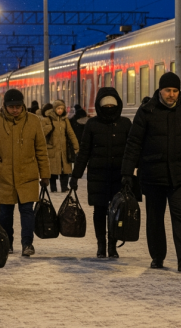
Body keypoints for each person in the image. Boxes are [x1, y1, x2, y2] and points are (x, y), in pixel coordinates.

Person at [122, 72, 181, 272]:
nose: (171, 94)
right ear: (160, 90)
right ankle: (157, 256)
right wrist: (126, 173)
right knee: (155, 217)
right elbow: (134, 143)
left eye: (175, 91)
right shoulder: (147, 110)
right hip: (153, 174)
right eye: (168, 90)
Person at [0, 89, 51, 257]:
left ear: (23, 105)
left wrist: (45, 174)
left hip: (27, 174)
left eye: (18, 106)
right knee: (5, 212)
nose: (15, 110)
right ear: (4, 106)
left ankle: (27, 243)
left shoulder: (34, 121)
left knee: (27, 211)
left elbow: (41, 149)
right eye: (11, 107)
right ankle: (7, 243)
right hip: (4, 174)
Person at [71, 88, 132, 258]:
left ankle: (112, 244)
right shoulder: (92, 124)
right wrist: (75, 175)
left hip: (119, 176)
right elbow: (84, 152)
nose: (109, 107)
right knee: (99, 211)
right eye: (106, 104)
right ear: (99, 105)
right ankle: (101, 244)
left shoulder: (125, 124)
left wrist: (130, 173)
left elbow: (132, 151)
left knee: (117, 211)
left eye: (112, 104)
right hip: (98, 176)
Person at [41, 100, 79, 193]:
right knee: (53, 170)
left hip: (64, 149)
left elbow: (71, 133)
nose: (60, 110)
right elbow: (41, 133)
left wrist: (76, 146)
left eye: (62, 108)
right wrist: (49, 127)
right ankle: (53, 188)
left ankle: (64, 187)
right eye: (58, 108)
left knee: (65, 169)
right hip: (52, 149)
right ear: (54, 109)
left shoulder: (65, 120)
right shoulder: (47, 119)